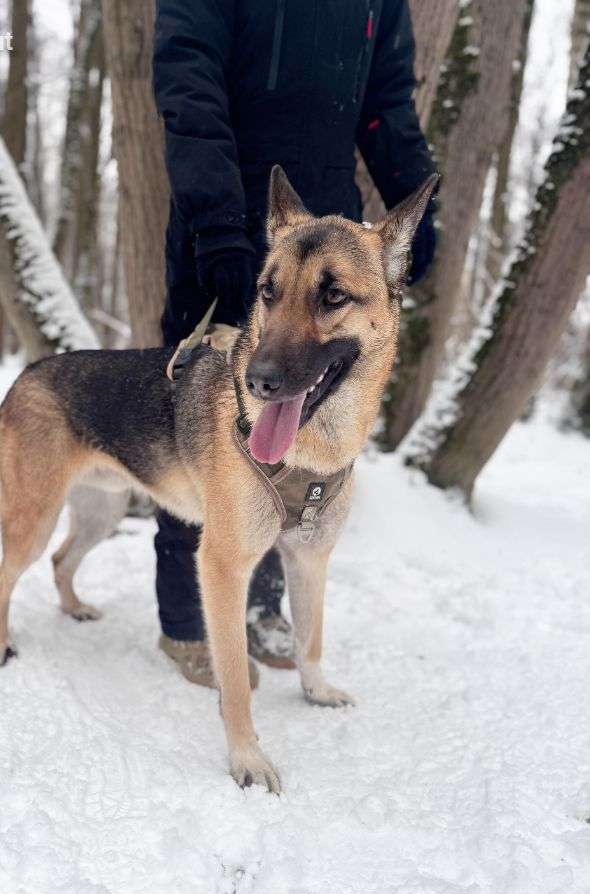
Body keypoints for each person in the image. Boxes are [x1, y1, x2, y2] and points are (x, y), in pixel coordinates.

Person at [152, 0, 436, 687]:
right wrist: (217, 220)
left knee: (301, 434)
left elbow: (387, 103)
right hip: (221, 216)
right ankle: (187, 617)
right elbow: (189, 80)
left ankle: (262, 603)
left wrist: (415, 210)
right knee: (196, 421)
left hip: (328, 221)